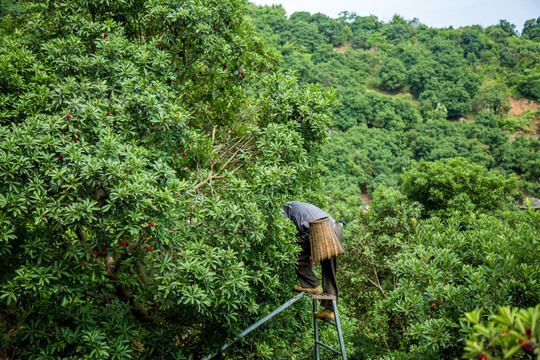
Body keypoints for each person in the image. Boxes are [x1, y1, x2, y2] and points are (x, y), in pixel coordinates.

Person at [283, 201, 344, 321]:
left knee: (293, 252)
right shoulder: (295, 206)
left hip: (321, 231)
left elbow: (284, 232)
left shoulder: (284, 209)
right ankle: (330, 310)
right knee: (329, 268)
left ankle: (312, 285)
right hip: (335, 229)